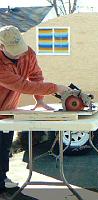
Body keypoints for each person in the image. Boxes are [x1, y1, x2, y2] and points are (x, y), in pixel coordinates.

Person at [0, 25, 71, 197]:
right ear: (1, 46)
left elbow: (36, 76)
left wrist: (39, 100)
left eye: (20, 49)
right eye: (14, 51)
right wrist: (57, 88)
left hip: (8, 109)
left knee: (3, 145)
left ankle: (1, 178)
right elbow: (22, 85)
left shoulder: (28, 53)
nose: (19, 54)